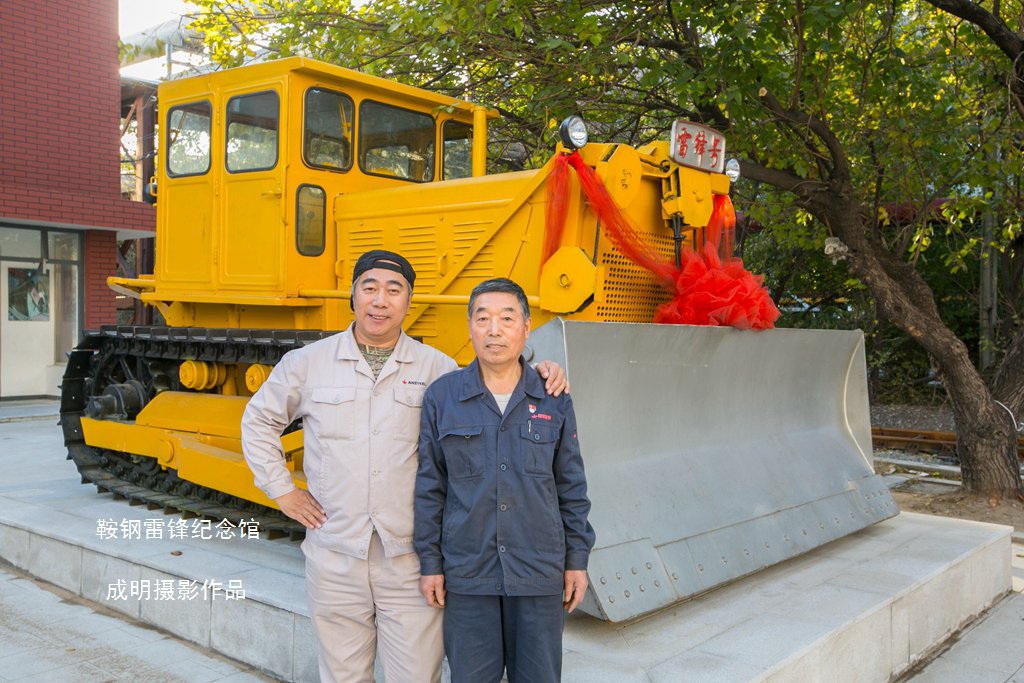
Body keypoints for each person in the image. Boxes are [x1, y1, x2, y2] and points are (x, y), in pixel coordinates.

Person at [240, 252, 568, 683]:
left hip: (408, 559)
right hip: (335, 551)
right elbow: (259, 420)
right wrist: (282, 490)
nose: (380, 300)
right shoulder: (307, 363)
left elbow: (494, 381)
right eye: (369, 288)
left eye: (393, 291)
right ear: (352, 295)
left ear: (408, 302)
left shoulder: (436, 369)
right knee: (343, 675)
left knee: (416, 675)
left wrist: (540, 370)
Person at [414, 278, 595, 683]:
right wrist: (431, 563)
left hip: (537, 571)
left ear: (526, 328)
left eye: (506, 318)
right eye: (483, 318)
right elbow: (431, 489)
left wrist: (576, 560)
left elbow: (571, 485)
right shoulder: (442, 398)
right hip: (468, 572)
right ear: (470, 327)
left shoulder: (553, 396)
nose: (494, 329)